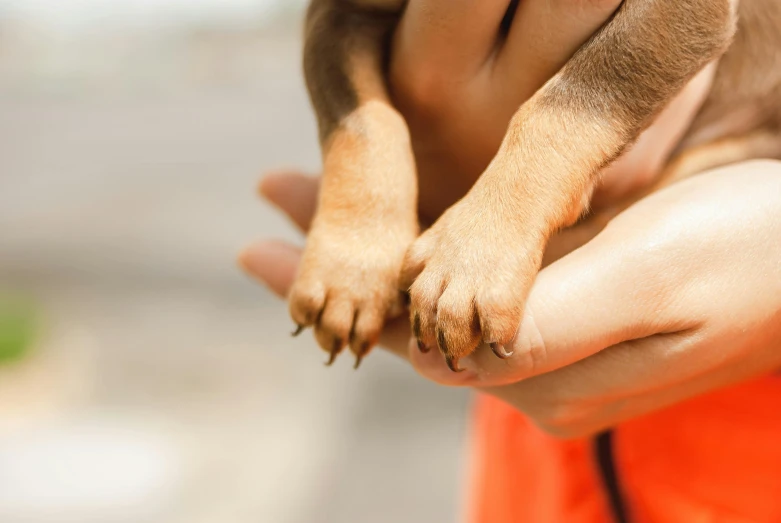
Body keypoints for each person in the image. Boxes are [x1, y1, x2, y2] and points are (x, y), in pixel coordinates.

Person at [241, 1, 781, 521]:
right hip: (541, 485)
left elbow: (692, 10)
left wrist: (525, 186)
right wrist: (369, 195)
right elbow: (341, 18)